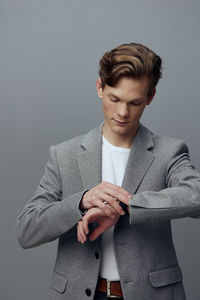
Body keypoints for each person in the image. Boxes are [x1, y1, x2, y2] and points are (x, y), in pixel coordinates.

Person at [16, 42, 200, 300]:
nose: (123, 113)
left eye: (135, 102)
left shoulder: (169, 151)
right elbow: (26, 230)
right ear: (100, 88)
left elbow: (196, 195)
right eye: (115, 99)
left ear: (150, 97)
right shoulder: (64, 154)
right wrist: (80, 202)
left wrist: (124, 206)